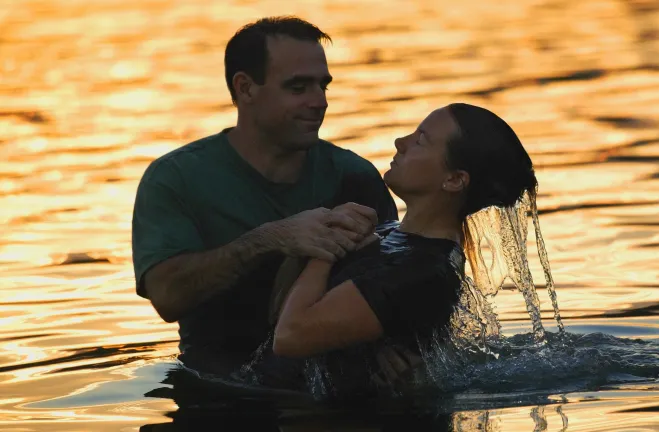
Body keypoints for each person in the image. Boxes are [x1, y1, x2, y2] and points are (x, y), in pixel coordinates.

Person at [130, 16, 400, 375]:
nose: (319, 102)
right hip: (219, 385)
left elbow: (399, 287)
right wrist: (269, 239)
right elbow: (166, 298)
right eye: (298, 88)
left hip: (339, 381)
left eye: (323, 86)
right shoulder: (175, 179)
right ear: (245, 88)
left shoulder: (355, 175)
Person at [246, 102, 540, 397]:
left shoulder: (421, 271)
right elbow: (279, 315)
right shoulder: (389, 234)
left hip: (303, 412)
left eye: (421, 139)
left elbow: (289, 336)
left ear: (453, 180)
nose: (401, 142)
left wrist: (329, 244)